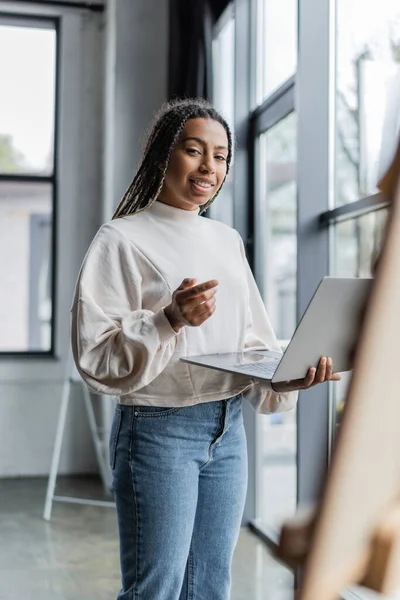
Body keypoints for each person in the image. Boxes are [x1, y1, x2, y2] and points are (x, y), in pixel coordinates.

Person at [70, 98, 340, 600]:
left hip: (227, 427)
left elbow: (252, 342)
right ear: (162, 156)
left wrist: (291, 373)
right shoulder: (121, 238)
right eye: (194, 151)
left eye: (220, 157)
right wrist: (170, 318)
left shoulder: (226, 239)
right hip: (158, 431)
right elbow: (95, 357)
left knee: (211, 586)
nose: (208, 167)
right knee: (158, 588)